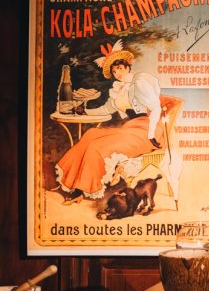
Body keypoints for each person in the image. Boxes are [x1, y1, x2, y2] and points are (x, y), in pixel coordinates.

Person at [55, 40, 164, 205]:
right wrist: (83, 111)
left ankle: (84, 188)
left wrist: (150, 135)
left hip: (148, 130)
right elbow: (105, 110)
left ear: (128, 67)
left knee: (97, 147)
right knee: (91, 134)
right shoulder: (118, 90)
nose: (118, 73)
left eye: (120, 68)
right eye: (114, 71)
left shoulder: (140, 82)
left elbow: (156, 108)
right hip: (130, 128)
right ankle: (75, 186)